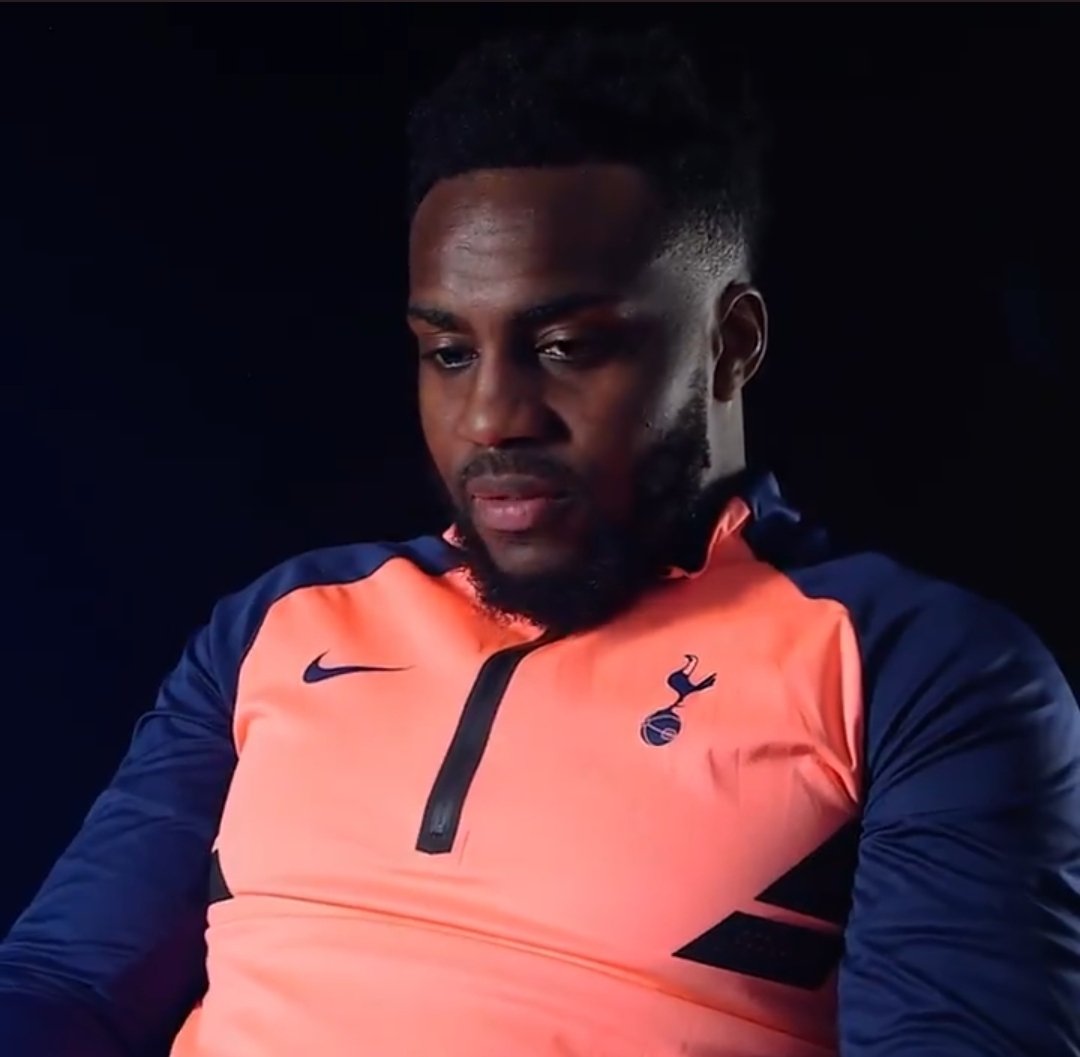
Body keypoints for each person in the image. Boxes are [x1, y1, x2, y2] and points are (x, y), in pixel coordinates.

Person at [1, 23, 1078, 1057]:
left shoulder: (913, 668)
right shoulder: (281, 622)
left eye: (564, 346)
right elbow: (66, 984)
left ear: (732, 343)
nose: (491, 418)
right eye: (449, 353)